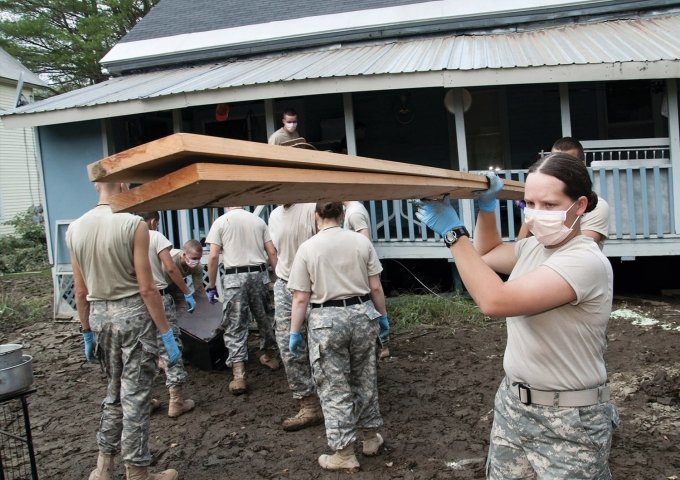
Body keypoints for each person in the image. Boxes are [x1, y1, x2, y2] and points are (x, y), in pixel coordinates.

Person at [416, 154, 618, 479]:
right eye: (530, 204)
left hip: (568, 418)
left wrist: (454, 234)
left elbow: (495, 301)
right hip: (513, 404)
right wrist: (486, 209)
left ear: (579, 205)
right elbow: (488, 253)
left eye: (549, 205)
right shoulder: (535, 247)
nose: (537, 215)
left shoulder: (584, 261)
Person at [67, 182, 179, 480]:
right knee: (136, 396)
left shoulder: (75, 228)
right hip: (133, 319)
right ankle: (137, 471)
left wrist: (86, 330)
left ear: (94, 186)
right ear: (123, 184)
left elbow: (80, 291)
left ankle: (103, 467)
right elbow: (146, 287)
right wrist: (166, 332)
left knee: (114, 391)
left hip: (101, 316)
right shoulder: (133, 224)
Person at [288, 202, 390, 473]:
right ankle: (370, 439)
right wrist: (382, 316)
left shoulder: (308, 248)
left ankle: (344, 452)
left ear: (316, 216)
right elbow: (376, 286)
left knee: (334, 387)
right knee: (364, 378)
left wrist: (294, 332)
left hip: (326, 321)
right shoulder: (360, 242)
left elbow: (300, 297)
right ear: (342, 215)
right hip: (362, 315)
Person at [205, 206, 279, 394]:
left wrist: (211, 285)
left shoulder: (221, 222)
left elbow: (213, 256)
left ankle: (239, 374)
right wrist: (278, 277)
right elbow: (271, 251)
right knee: (265, 317)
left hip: (234, 278)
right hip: (258, 275)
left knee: (235, 324)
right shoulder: (258, 221)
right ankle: (270, 355)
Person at [267, 203, 324, 431]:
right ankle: (308, 405)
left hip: (315, 283)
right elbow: (275, 252)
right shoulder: (274, 215)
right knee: (287, 346)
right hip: (285, 285)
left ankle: (331, 398)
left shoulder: (312, 208)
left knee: (321, 343)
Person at [138, 211, 195, 419]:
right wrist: (186, 292)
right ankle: (176, 401)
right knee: (170, 345)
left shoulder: (126, 237)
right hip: (158, 297)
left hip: (135, 302)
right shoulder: (154, 236)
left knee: (144, 349)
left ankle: (146, 400)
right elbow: (170, 267)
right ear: (153, 221)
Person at [518, 137, 610, 249]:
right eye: (554, 161)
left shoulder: (599, 207)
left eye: (550, 205)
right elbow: (521, 246)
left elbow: (579, 250)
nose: (558, 167)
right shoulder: (538, 203)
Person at [342, 200, 390, 359]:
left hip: (363, 270)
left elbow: (365, 241)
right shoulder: (352, 209)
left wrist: (360, 270)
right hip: (361, 269)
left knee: (373, 309)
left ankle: (383, 345)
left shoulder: (354, 212)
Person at [165, 239, 206, 311]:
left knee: (182, 306)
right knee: (166, 308)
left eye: (199, 258)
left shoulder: (197, 266)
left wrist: (206, 303)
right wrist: (187, 293)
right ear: (184, 255)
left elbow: (199, 288)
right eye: (194, 258)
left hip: (176, 282)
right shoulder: (171, 260)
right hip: (161, 281)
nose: (197, 261)